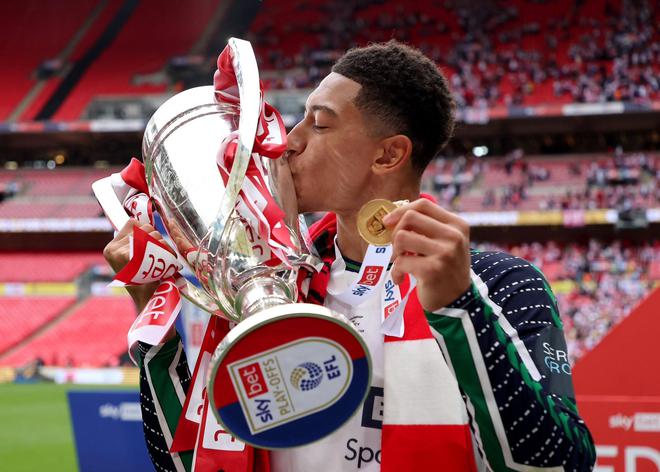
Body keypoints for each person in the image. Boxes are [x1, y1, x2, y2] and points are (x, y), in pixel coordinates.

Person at [104, 40, 595, 471]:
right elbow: (190, 463)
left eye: (319, 124)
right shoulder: (270, 290)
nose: (287, 143)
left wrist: (460, 306)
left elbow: (559, 462)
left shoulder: (501, 282)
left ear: (388, 155)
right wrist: (153, 321)